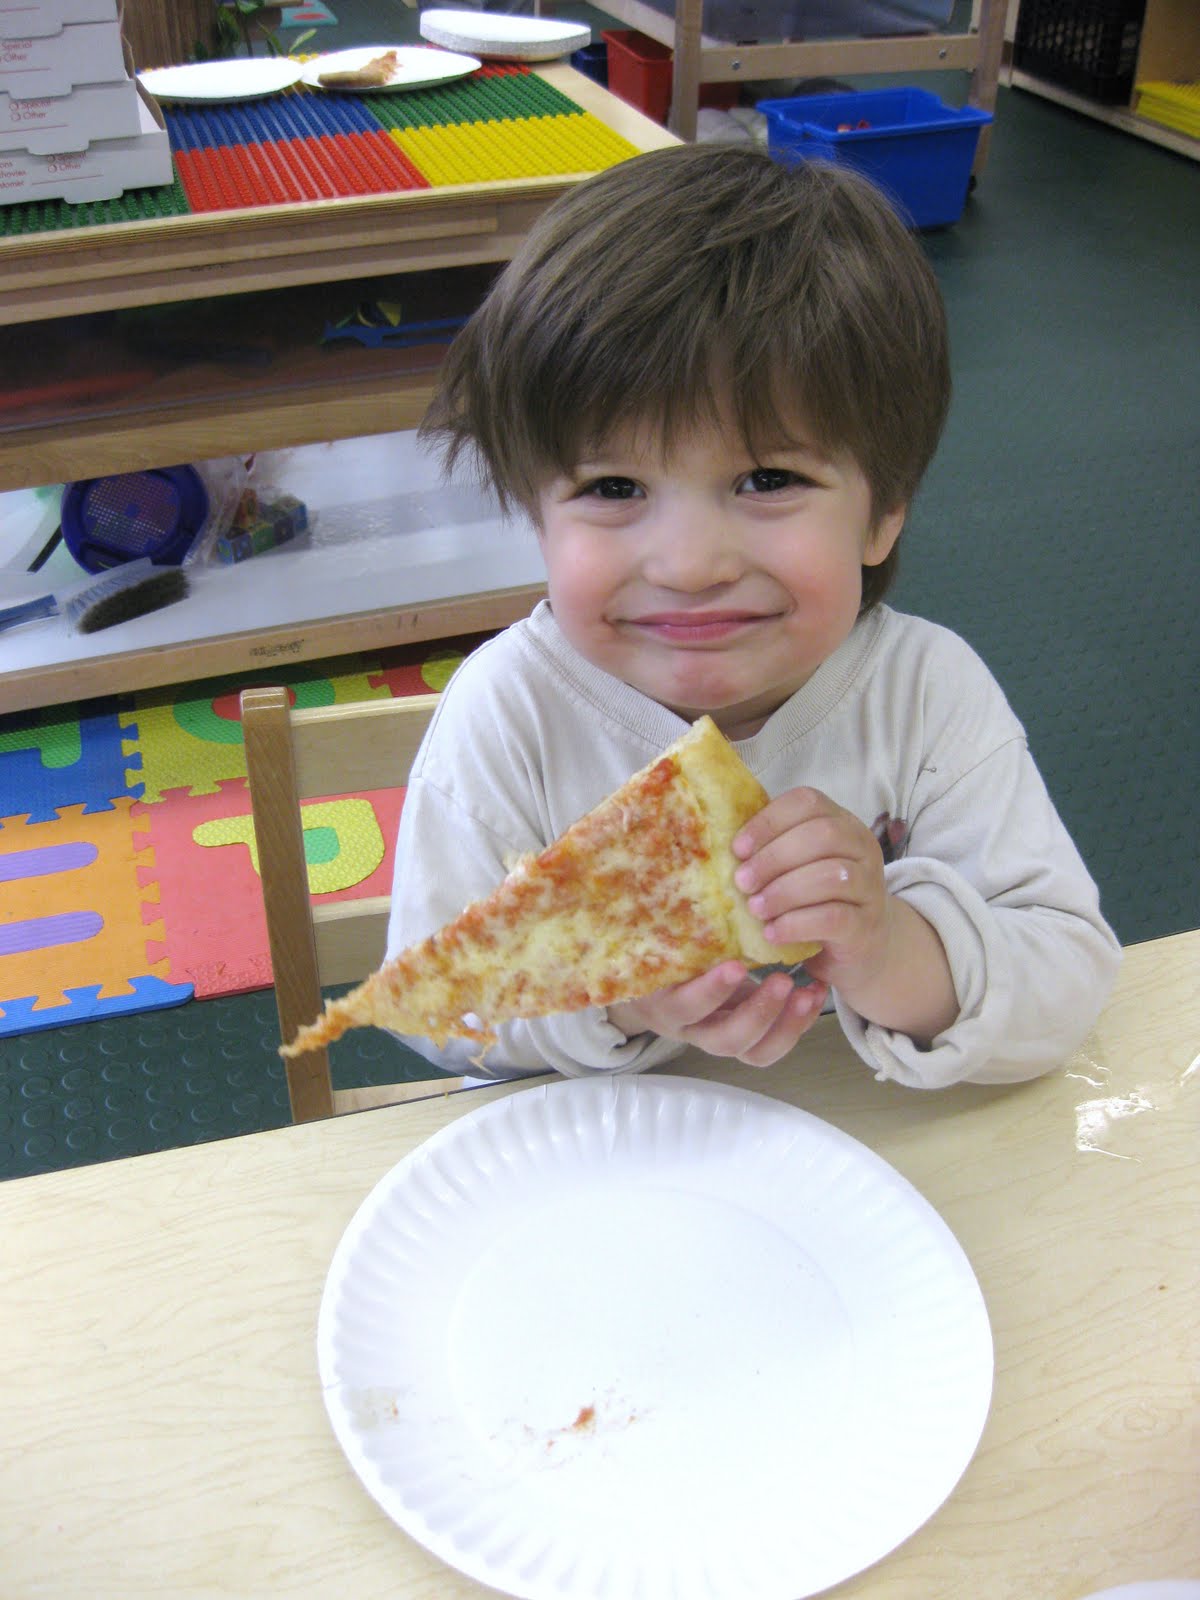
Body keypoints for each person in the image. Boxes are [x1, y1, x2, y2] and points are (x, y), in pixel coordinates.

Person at [385, 143, 1120, 1089]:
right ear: (537, 517)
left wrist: (891, 946)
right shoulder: (511, 713)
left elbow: (1068, 977)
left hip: (866, 1151)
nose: (690, 566)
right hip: (594, 1157)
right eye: (613, 487)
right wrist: (611, 992)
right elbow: (438, 1008)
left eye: (768, 479)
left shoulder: (926, 697)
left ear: (884, 510)